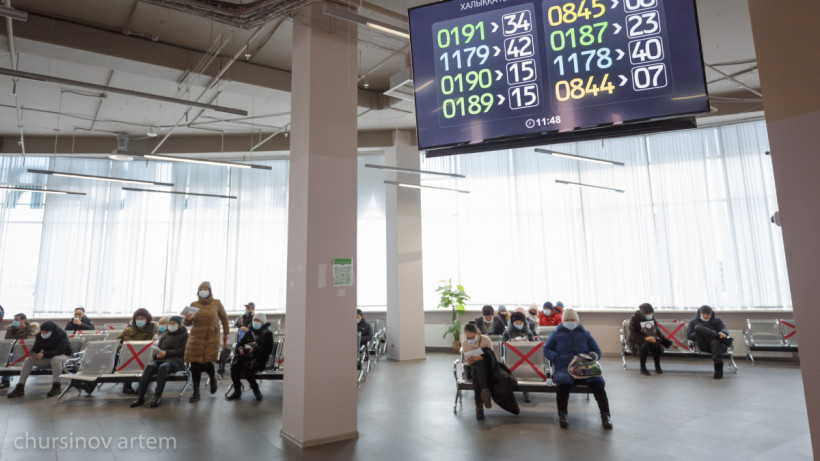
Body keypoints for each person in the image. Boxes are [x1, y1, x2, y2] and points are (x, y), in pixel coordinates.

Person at [544, 308, 612, 429]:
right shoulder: (556, 334)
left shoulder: (585, 334)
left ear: (577, 320)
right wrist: (556, 357)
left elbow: (597, 351)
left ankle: (605, 415)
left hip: (585, 367)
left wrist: (590, 356)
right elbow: (546, 349)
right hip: (564, 367)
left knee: (598, 384)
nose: (570, 322)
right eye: (567, 320)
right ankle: (563, 414)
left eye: (572, 320)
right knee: (562, 385)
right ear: (563, 321)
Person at [183, 281, 230, 402]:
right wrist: (187, 319)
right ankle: (196, 392)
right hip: (196, 336)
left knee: (208, 362)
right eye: (201, 289)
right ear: (198, 292)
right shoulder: (194, 304)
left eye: (206, 289)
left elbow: (224, 318)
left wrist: (226, 333)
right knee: (194, 363)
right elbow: (187, 323)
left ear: (210, 291)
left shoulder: (216, 303)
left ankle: (212, 377)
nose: (203, 291)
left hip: (211, 336)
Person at [131, 315, 188, 408]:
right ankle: (140, 397)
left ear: (179, 324)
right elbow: (159, 348)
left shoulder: (185, 335)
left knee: (163, 367)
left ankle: (157, 396)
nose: (171, 325)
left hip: (176, 360)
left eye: (173, 323)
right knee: (149, 367)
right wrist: (157, 354)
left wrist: (166, 353)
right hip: (161, 358)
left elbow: (183, 351)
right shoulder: (165, 334)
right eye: (169, 323)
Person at [7, 321, 72, 398]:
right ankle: (20, 387)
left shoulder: (62, 335)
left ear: (52, 331)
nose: (43, 333)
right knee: (29, 360)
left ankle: (56, 386)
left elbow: (60, 351)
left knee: (55, 359)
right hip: (49, 358)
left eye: (46, 332)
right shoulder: (39, 336)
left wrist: (44, 354)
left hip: (63, 358)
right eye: (42, 331)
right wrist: (33, 355)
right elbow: (35, 349)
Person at [225, 313, 274, 401]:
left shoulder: (267, 333)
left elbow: (268, 350)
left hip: (260, 360)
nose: (255, 322)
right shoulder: (249, 332)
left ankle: (256, 390)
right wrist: (240, 349)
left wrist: (255, 349)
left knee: (247, 369)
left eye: (258, 320)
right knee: (234, 368)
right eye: (254, 320)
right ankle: (237, 391)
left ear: (262, 322)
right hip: (247, 357)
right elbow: (239, 344)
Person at [117, 308, 158, 394]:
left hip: (146, 354)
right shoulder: (128, 330)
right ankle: (127, 385)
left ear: (147, 319)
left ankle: (142, 385)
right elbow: (118, 342)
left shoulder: (153, 330)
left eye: (142, 318)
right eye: (137, 319)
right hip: (128, 354)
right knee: (127, 360)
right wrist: (120, 348)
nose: (139, 320)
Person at [687, 305, 733, 379]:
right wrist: (701, 332)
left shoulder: (717, 321)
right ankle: (719, 337)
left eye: (708, 314)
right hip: (704, 345)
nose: (706, 316)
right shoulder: (693, 322)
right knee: (698, 328)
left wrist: (723, 333)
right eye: (703, 314)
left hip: (718, 345)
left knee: (716, 342)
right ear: (700, 313)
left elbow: (724, 329)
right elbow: (689, 336)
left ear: (711, 314)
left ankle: (718, 373)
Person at [629, 303, 672, 376]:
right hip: (638, 340)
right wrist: (645, 338)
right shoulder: (635, 318)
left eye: (651, 313)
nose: (650, 315)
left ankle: (657, 366)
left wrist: (668, 343)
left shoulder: (651, 318)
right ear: (643, 314)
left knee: (656, 344)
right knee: (644, 345)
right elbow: (633, 333)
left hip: (651, 337)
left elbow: (657, 332)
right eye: (648, 314)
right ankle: (643, 368)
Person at [462, 323, 494, 420]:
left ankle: (478, 405)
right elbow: (467, 361)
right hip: (473, 368)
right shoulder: (465, 343)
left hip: (487, 367)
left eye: (472, 337)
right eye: (467, 337)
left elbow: (492, 357)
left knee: (478, 366)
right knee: (476, 366)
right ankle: (484, 390)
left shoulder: (485, 340)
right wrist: (470, 360)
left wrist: (480, 357)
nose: (469, 339)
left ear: (477, 333)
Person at [1, 313, 39, 389]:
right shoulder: (10, 330)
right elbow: (7, 344)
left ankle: (5, 381)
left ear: (23, 320)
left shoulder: (30, 331)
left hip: (24, 353)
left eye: (17, 320)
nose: (14, 321)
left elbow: (29, 345)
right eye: (14, 320)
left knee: (8, 357)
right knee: (7, 355)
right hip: (11, 352)